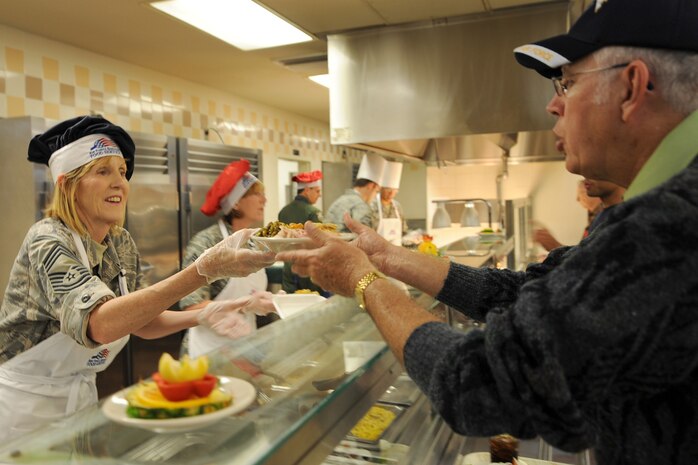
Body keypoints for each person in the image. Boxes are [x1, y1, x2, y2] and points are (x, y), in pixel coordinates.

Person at [278, 1, 698, 463]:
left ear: (634, 86)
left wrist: (363, 281)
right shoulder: (657, 210)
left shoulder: (672, 224)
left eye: (569, 83)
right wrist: (386, 257)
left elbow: (478, 384)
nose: (552, 103)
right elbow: (533, 291)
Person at [0, 116, 275, 441]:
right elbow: (99, 324)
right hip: (25, 406)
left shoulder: (119, 243)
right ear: (68, 184)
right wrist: (202, 272)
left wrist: (201, 315)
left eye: (121, 171)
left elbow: (139, 321)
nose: (120, 182)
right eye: (102, 171)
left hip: (82, 396)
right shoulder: (48, 239)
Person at [180, 159, 280, 358]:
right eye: (256, 194)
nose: (264, 200)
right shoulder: (207, 242)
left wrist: (266, 302)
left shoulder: (256, 240)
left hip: (245, 347)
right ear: (235, 203)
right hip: (207, 351)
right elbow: (190, 304)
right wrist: (242, 305)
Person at [534, 178, 625, 251]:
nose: (577, 199)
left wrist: (555, 247)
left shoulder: (611, 219)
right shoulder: (597, 217)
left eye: (580, 193)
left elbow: (590, 262)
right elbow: (584, 253)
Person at [278, 170, 325, 294]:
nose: (319, 195)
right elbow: (320, 241)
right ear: (307, 190)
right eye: (317, 191)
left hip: (288, 266)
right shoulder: (313, 212)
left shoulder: (284, 211)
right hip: (307, 266)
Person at [325, 153, 386, 232]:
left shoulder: (340, 200)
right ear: (371, 186)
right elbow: (364, 236)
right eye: (376, 191)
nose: (375, 196)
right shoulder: (360, 205)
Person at [371, 161, 408, 246]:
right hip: (376, 248)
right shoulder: (372, 205)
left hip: (396, 249)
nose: (391, 193)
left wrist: (411, 237)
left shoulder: (397, 206)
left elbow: (404, 230)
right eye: (388, 190)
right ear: (381, 189)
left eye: (394, 190)